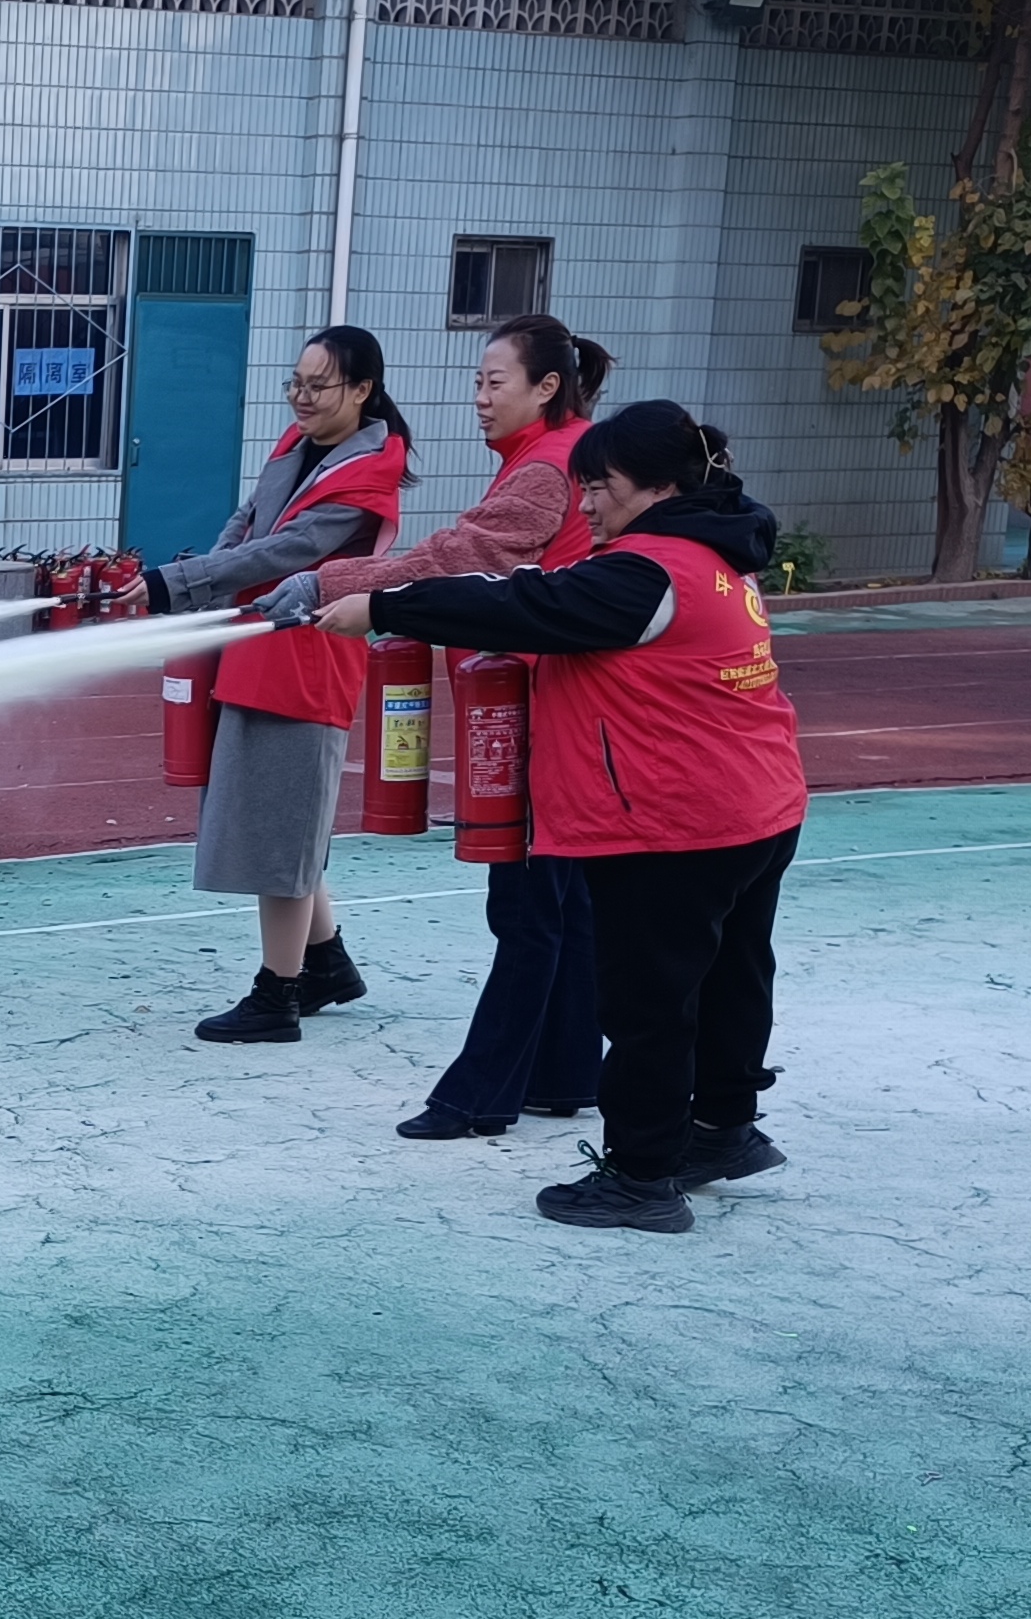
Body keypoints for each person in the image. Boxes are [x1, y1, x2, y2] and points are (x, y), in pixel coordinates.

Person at [318, 400, 805, 1234]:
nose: (585, 504)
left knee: (649, 1004)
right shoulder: (718, 552)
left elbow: (522, 604)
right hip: (755, 807)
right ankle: (723, 1130)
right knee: (733, 978)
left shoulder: (647, 572)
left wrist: (386, 605)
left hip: (673, 823)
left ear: (657, 488)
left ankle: (641, 1177)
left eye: (600, 486)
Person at [271, 312, 613, 1139]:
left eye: (495, 382)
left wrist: (331, 583)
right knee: (559, 899)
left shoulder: (548, 466)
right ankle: (566, 1072)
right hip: (559, 698)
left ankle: (479, 1095)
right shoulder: (555, 456)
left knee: (525, 905)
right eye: (476, 382)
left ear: (547, 387)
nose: (480, 398)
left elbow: (458, 557)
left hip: (548, 704)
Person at [146, 326, 409, 1044]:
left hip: (306, 668)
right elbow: (250, 522)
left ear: (362, 390)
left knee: (281, 837)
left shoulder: (366, 477)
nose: (301, 397)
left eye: (318, 386)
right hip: (258, 652)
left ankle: (278, 996)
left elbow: (288, 550)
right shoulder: (300, 445)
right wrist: (202, 581)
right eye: (295, 382)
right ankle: (326, 964)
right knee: (281, 825)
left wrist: (180, 583)